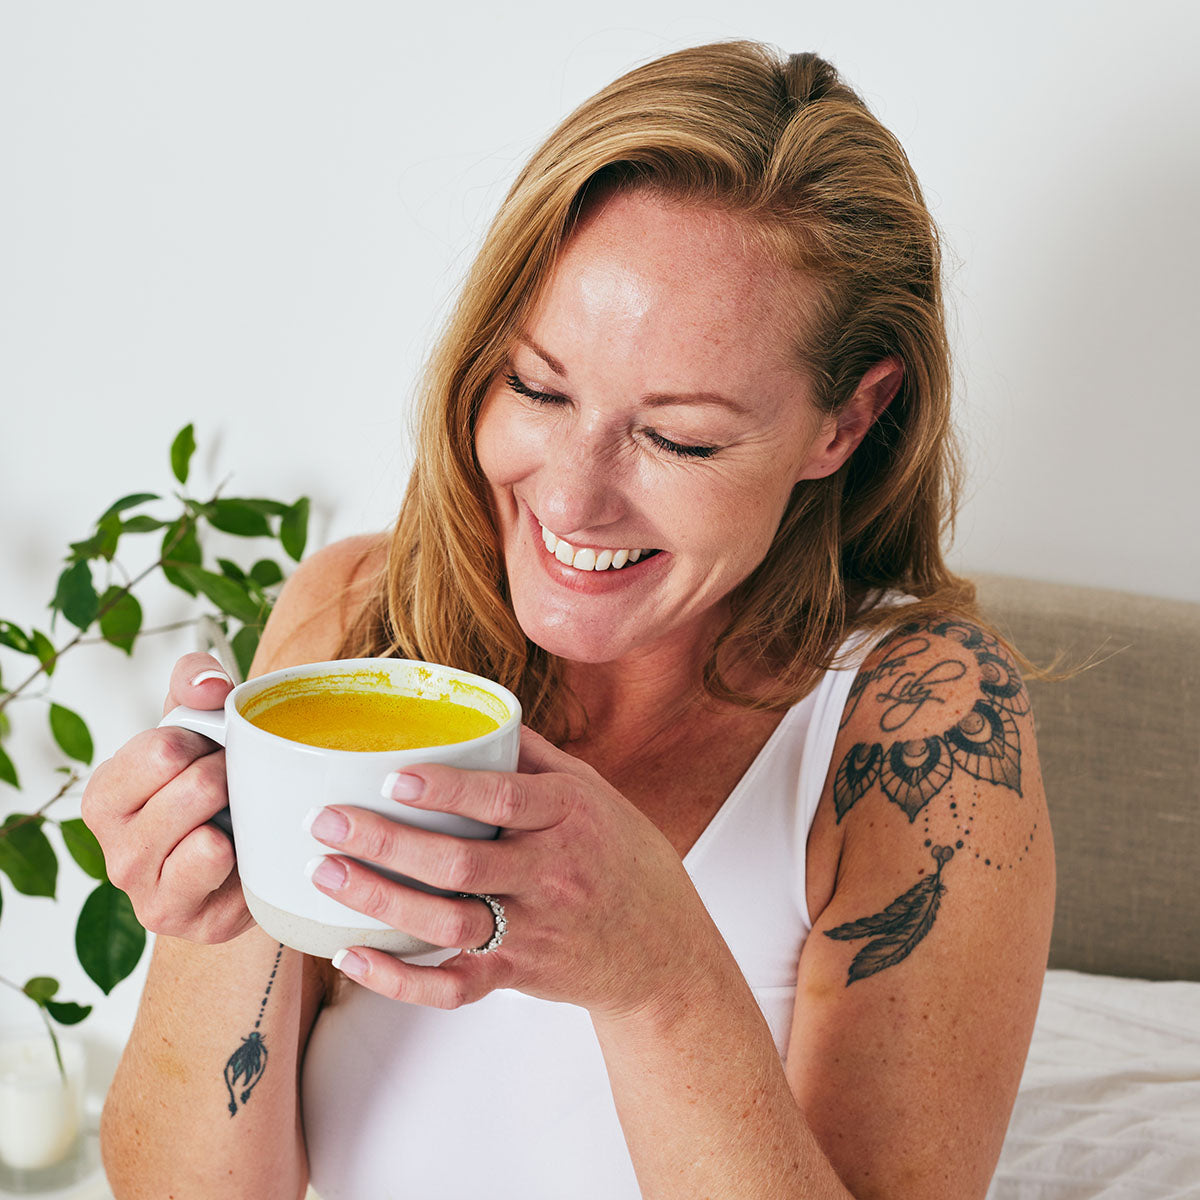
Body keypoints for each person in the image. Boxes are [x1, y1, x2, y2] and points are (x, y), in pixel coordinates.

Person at [83, 40, 1054, 1199]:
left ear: (846, 421)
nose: (571, 498)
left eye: (680, 437)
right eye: (539, 388)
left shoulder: (923, 726)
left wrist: (658, 975)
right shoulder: (356, 612)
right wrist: (222, 897)